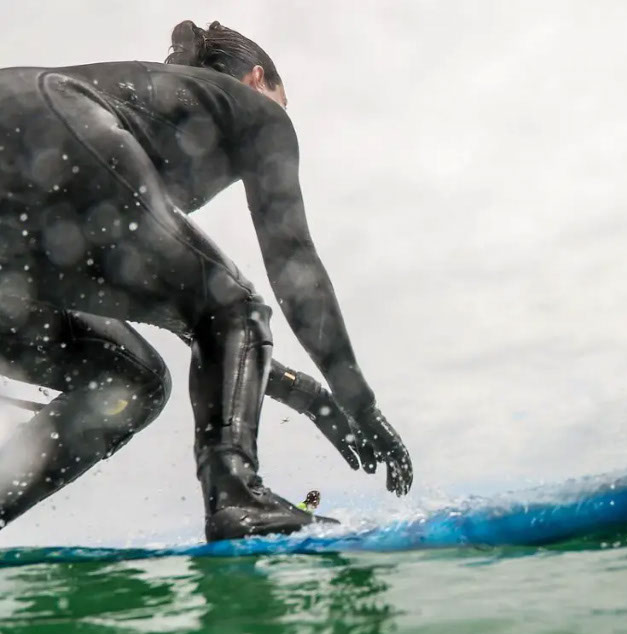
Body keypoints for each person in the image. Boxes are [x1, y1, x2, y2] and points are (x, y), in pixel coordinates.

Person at [0, 20, 413, 540]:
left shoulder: (149, 129)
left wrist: (307, 393)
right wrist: (363, 406)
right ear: (256, 80)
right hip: (40, 118)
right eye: (281, 102)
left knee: (131, 383)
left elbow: (197, 320)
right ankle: (237, 497)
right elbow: (292, 266)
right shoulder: (255, 111)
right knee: (237, 304)